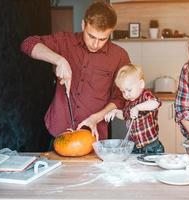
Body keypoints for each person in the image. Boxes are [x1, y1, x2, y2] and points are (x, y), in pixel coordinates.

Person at [21, 1, 130, 141]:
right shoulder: (65, 41)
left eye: (103, 39)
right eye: (91, 36)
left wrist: (96, 118)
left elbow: (120, 98)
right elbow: (28, 43)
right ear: (83, 24)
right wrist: (59, 60)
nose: (95, 44)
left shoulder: (119, 56)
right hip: (57, 129)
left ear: (110, 32)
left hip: (94, 135)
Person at [105, 64, 164, 154]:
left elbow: (156, 103)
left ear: (141, 84)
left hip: (151, 146)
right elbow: (125, 116)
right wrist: (115, 112)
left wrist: (138, 107)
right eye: (123, 91)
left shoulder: (145, 95)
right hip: (134, 146)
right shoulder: (128, 103)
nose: (126, 94)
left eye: (129, 90)